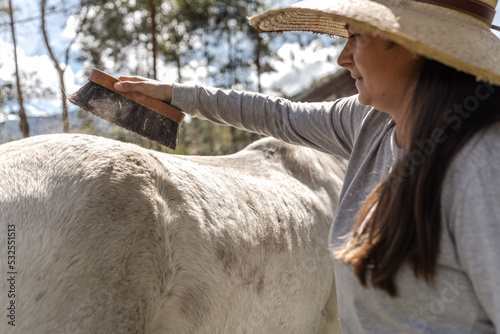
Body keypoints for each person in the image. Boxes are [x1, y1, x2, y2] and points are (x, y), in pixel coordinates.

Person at [114, 0, 500, 332]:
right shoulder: (373, 123)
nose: (342, 56)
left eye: (357, 36)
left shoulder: (481, 171)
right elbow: (279, 116)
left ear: (414, 44)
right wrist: (175, 94)